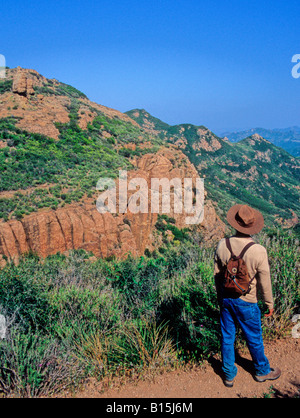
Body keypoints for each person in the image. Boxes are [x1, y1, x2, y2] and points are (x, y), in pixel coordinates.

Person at [214, 204, 281, 387]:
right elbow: (264, 280)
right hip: (247, 301)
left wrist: (220, 297)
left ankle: (228, 374)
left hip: (227, 298)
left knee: (227, 336)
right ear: (252, 226)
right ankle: (261, 371)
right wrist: (269, 303)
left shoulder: (222, 244)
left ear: (235, 224)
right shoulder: (258, 250)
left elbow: (217, 275)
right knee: (254, 337)